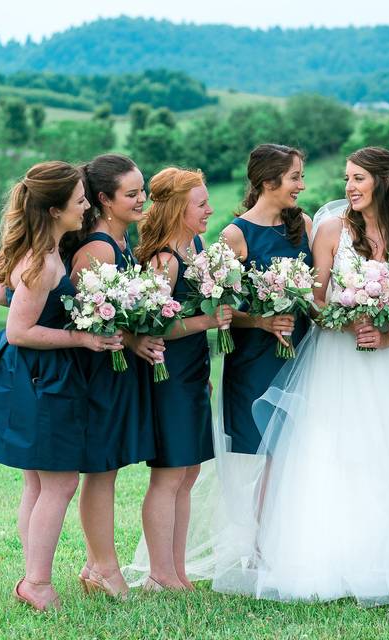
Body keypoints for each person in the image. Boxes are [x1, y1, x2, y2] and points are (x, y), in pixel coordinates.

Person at [196, 146, 389, 606]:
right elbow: (313, 303)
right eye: (347, 179)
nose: (349, 187)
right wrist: (346, 315)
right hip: (335, 361)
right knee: (329, 451)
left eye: (358, 178)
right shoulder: (330, 231)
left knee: (388, 451)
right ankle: (320, 553)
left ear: (384, 181)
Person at [0, 161, 122, 611]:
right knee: (61, 482)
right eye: (80, 201)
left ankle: (35, 578)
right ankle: (36, 583)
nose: (86, 206)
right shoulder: (42, 260)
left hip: (32, 374)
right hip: (38, 376)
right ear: (54, 209)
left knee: (39, 482)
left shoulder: (37, 249)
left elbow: (0, 295)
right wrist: (83, 336)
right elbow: (18, 330)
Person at [61, 154, 160, 599]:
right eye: (132, 193)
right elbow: (86, 318)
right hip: (98, 373)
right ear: (104, 199)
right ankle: (105, 567)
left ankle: (94, 564)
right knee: (100, 472)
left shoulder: (123, 245)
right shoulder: (98, 249)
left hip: (117, 371)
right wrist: (132, 340)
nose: (142, 200)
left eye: (144, 191)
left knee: (110, 470)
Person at [131, 167, 232, 591]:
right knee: (170, 474)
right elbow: (152, 329)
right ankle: (160, 573)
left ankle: (177, 571)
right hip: (166, 373)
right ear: (177, 208)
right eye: (202, 204)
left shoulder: (194, 246)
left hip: (192, 371)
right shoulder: (164, 261)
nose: (210, 209)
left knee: (188, 472)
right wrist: (207, 320)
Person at [219, 144, 313, 454]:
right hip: (254, 358)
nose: (301, 186)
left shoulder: (304, 225)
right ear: (268, 181)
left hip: (301, 353)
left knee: (297, 454)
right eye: (294, 178)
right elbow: (220, 309)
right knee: (259, 455)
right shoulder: (235, 234)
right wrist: (261, 321)